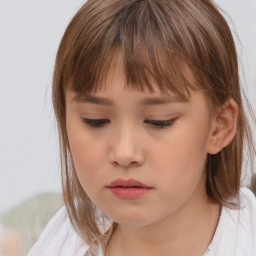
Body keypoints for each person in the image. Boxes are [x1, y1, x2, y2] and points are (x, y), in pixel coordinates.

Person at [27, 0, 256, 255]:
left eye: (159, 121)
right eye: (96, 120)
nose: (124, 153)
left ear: (219, 127)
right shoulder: (62, 239)